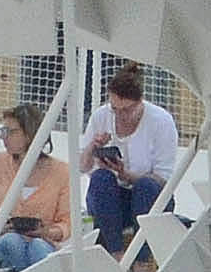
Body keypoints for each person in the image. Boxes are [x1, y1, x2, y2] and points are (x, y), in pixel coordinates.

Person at [77, 62, 179, 260]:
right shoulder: (101, 116)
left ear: (140, 102)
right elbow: (82, 167)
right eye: (115, 109)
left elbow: (163, 179)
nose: (120, 115)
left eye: (127, 110)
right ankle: (115, 253)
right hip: (113, 200)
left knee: (145, 185)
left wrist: (126, 175)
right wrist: (93, 147)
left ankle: (141, 262)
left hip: (149, 198)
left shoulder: (161, 121)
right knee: (101, 178)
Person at [0, 104, 63, 272]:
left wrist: (46, 232)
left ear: (29, 134)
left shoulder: (61, 172)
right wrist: (1, 224)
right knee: (12, 242)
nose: (4, 137)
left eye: (11, 132)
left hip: (44, 243)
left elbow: (66, 223)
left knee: (39, 248)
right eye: (3, 131)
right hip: (5, 237)